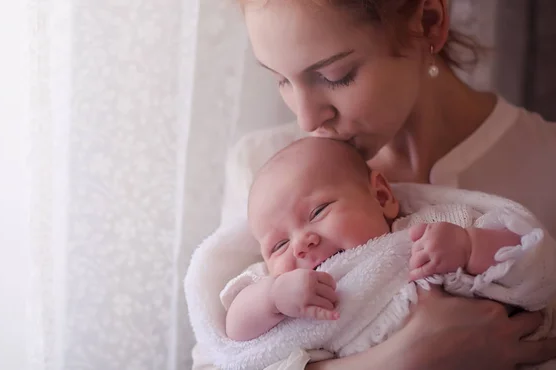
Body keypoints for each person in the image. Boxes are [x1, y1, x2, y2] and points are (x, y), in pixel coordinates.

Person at [192, 0, 556, 368]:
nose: (306, 119)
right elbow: (223, 357)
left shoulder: (545, 163)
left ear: (429, 22)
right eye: (281, 79)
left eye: (335, 76)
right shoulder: (263, 168)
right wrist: (405, 359)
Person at [208, 137, 555, 369]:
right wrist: (272, 298)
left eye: (317, 213)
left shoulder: (429, 228)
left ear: (382, 198)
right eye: (279, 245)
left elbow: (527, 258)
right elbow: (235, 336)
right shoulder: (279, 289)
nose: (301, 244)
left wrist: (469, 246)